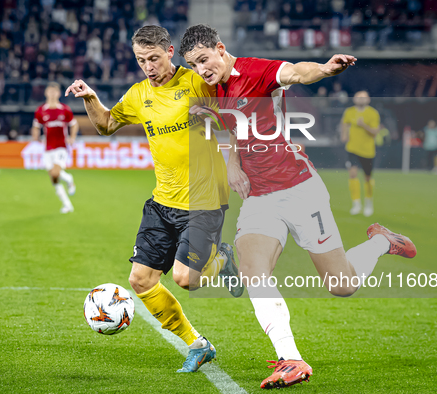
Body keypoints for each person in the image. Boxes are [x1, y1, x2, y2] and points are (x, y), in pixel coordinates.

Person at [180, 24, 417, 389]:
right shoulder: (212, 88)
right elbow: (231, 128)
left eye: (203, 59)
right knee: (252, 269)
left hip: (299, 188)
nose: (201, 69)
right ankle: (291, 359)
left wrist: (324, 69)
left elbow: (294, 71)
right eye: (194, 65)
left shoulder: (256, 70)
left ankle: (382, 241)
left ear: (220, 48)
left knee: (342, 284)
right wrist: (232, 165)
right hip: (259, 197)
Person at [65, 25, 242, 373]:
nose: (148, 66)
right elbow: (106, 125)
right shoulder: (137, 94)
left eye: (154, 58)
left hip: (204, 201)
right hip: (162, 203)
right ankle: (198, 344)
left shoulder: (197, 82)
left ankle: (222, 258)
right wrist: (90, 98)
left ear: (170, 52)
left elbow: (232, 119)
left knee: (185, 279)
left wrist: (233, 161)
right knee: (140, 280)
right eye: (141, 60)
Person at [31, 82, 79, 214]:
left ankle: (69, 179)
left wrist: (72, 137)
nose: (52, 93)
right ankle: (67, 205)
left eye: (55, 91)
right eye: (50, 91)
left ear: (58, 93)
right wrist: (35, 135)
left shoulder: (64, 109)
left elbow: (74, 124)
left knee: (55, 172)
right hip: (47, 149)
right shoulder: (41, 110)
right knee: (54, 179)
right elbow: (36, 126)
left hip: (61, 147)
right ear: (46, 93)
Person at [341, 91, 380, 217]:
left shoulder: (373, 113)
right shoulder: (349, 111)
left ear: (368, 100)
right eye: (358, 97)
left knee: (367, 177)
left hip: (368, 150)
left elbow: (375, 132)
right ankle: (356, 204)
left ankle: (368, 202)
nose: (360, 99)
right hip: (352, 148)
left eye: (363, 97)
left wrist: (363, 125)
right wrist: (344, 134)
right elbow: (344, 123)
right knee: (352, 174)